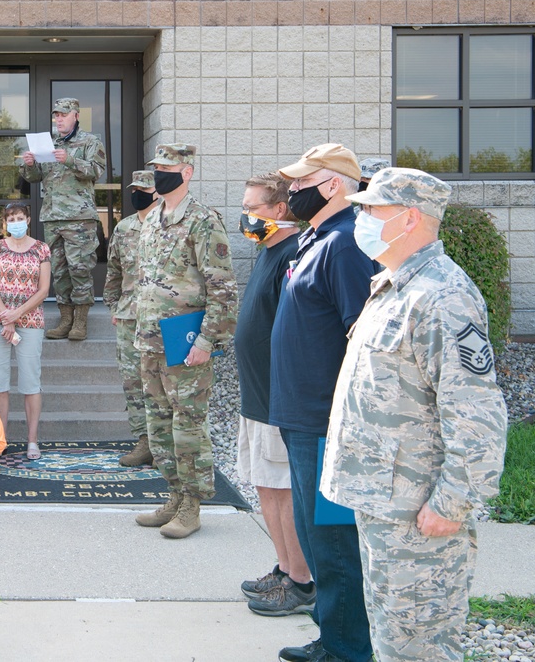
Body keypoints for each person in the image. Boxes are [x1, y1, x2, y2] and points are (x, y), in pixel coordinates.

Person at [323, 168, 508, 662]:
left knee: (418, 648)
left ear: (408, 219)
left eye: (369, 210)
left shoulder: (443, 296)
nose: (359, 218)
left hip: (418, 512)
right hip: (385, 501)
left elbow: (477, 414)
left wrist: (452, 503)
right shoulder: (395, 284)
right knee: (391, 638)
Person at [271, 144, 378, 662]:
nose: (292, 190)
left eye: (301, 181)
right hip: (301, 418)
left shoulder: (347, 244)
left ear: (332, 183)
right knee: (316, 539)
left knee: (333, 545)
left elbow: (363, 338)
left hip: (325, 423)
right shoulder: (315, 240)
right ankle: (331, 636)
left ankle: (346, 649)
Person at [133, 143, 238, 539]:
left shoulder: (202, 221)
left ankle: (193, 504)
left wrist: (208, 341)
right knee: (159, 422)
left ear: (187, 171)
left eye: (167, 167)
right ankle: (174, 495)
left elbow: (223, 289)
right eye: (156, 167)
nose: (159, 173)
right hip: (150, 340)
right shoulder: (151, 219)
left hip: (186, 341)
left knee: (188, 423)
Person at [233, 173, 314, 617]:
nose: (245, 215)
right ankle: (284, 568)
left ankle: (301, 581)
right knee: (265, 483)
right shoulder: (266, 252)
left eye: (253, 207)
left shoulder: (292, 254)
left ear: (279, 210)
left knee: (285, 490)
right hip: (256, 396)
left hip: (278, 399)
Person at [20, 97, 107, 341]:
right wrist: (29, 165)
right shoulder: (49, 143)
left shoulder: (91, 141)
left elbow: (96, 171)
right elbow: (36, 177)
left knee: (79, 269)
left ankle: (80, 321)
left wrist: (69, 159)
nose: (58, 119)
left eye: (63, 114)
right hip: (52, 217)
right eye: (56, 115)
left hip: (79, 218)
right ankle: (65, 319)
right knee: (58, 272)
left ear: (76, 116)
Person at [0, 204, 51, 461]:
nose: (16, 222)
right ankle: (0, 439)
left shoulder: (41, 248)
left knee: (31, 383)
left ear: (29, 219)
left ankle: (32, 441)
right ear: (5, 223)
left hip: (31, 322)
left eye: (20, 217)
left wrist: (17, 314)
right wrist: (6, 318)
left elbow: (43, 290)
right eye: (11, 219)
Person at [103, 170, 156, 467]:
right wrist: (114, 306)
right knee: (133, 382)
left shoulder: (168, 224)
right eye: (134, 189)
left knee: (161, 381)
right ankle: (144, 441)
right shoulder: (123, 228)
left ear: (157, 192)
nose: (137, 194)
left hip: (161, 317)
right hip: (128, 317)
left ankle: (165, 443)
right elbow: (113, 271)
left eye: (143, 189)